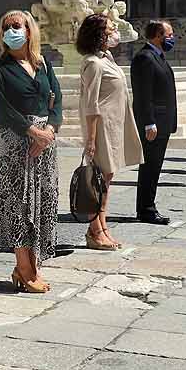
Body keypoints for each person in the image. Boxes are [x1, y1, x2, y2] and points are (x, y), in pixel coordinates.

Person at [0, 11, 62, 292]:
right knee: (19, 203)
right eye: (6, 27)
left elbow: (56, 99)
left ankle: (32, 265)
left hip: (44, 143)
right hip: (16, 142)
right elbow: (3, 107)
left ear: (29, 31)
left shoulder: (43, 65)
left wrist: (50, 131)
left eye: (16, 26)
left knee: (42, 200)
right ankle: (24, 268)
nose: (11, 31)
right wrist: (33, 132)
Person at [77, 13, 139, 250]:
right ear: (98, 34)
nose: (114, 33)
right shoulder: (92, 63)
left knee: (106, 181)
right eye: (110, 29)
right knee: (99, 182)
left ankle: (102, 227)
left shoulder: (107, 59)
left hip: (115, 126)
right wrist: (91, 139)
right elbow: (90, 103)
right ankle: (94, 231)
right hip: (101, 129)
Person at [130, 19, 177, 225]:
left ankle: (148, 205)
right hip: (154, 123)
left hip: (163, 121)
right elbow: (143, 94)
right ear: (158, 35)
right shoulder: (144, 58)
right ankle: (146, 209)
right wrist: (149, 122)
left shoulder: (158, 56)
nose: (172, 38)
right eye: (169, 34)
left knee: (155, 166)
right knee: (150, 166)